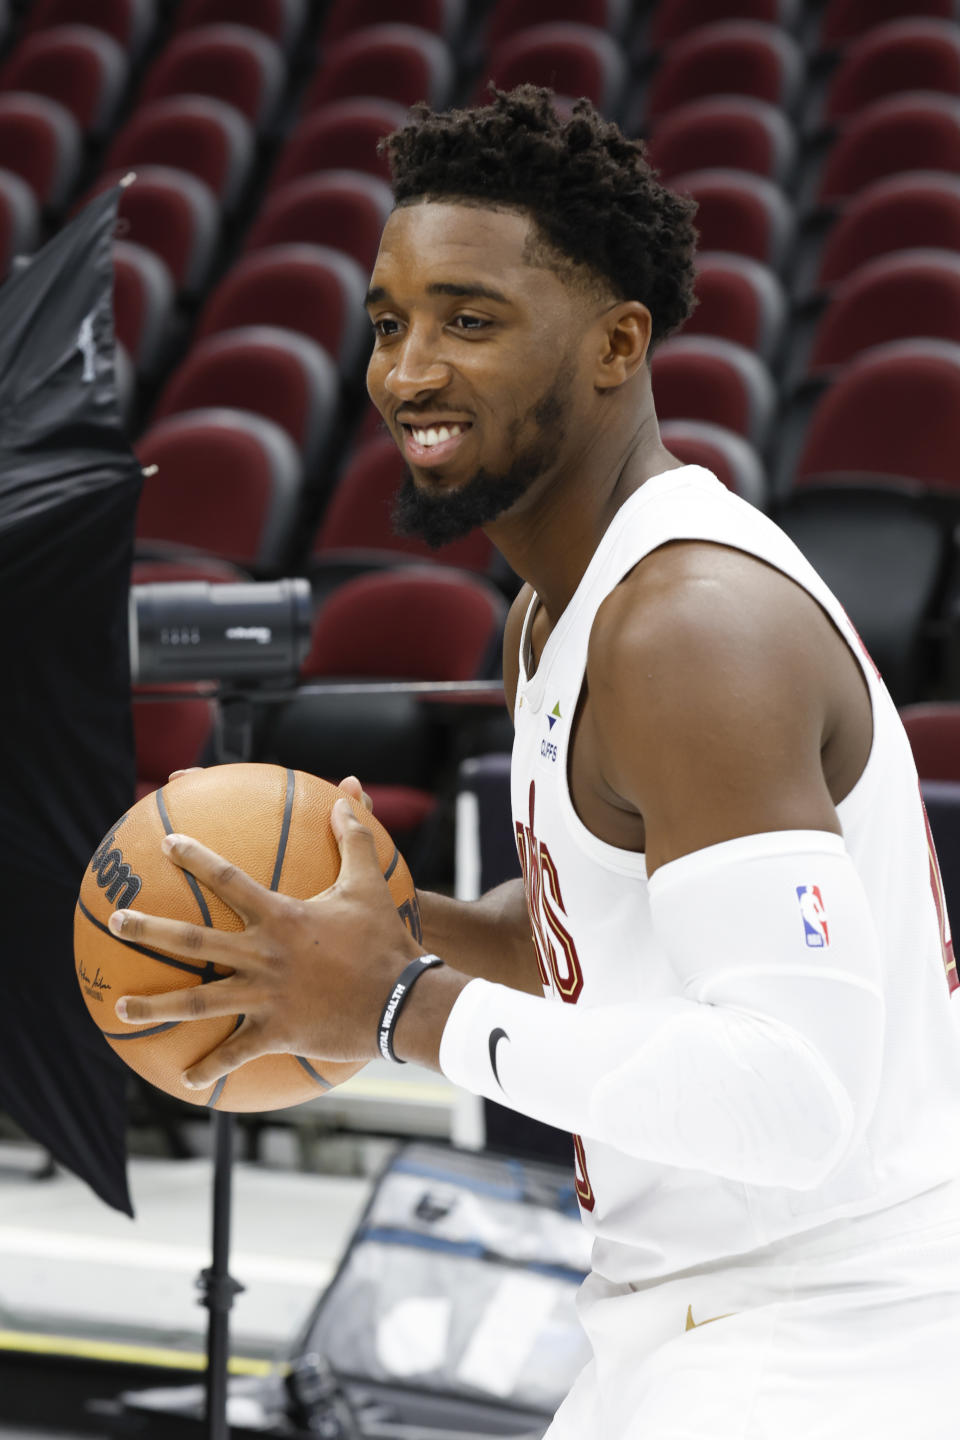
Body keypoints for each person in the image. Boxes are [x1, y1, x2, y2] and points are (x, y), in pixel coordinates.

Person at [108, 88, 960, 1438]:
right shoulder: (556, 612)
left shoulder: (691, 630)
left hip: (833, 1341)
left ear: (622, 342)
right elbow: (606, 934)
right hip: (689, 1309)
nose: (407, 371)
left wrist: (399, 1005)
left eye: (472, 319)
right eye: (390, 322)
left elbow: (794, 1099)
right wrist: (371, 937)